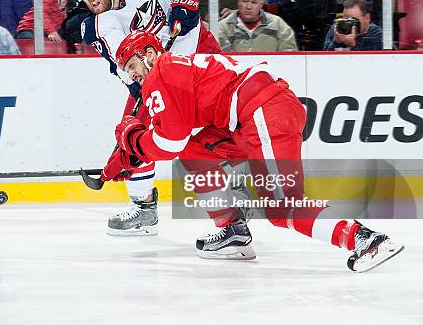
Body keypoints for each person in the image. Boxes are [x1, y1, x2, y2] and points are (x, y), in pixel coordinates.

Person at [108, 29, 404, 272]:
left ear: (148, 54)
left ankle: (362, 239)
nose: (131, 75)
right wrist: (129, 151)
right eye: (126, 71)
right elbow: (174, 139)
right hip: (252, 116)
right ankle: (232, 231)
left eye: (131, 66)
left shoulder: (160, 73)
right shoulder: (173, 68)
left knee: (282, 207)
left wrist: (132, 140)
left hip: (262, 112)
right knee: (195, 154)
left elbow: (167, 142)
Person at [72, 0, 223, 236]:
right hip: (159, 77)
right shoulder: (98, 27)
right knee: (132, 132)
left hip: (200, 54)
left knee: (221, 128)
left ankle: (236, 206)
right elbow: (131, 72)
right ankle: (144, 207)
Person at [218, 0, 298, 52]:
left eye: (254, 2)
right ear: (238, 1)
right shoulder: (224, 26)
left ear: (261, 5)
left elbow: (290, 56)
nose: (248, 7)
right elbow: (222, 60)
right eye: (245, 1)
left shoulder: (278, 24)